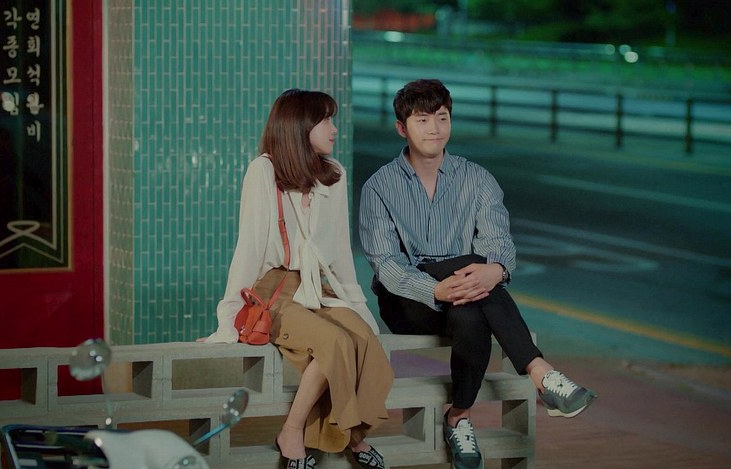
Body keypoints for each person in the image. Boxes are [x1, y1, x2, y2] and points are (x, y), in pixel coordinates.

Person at [358, 79, 596, 469]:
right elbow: (387, 265)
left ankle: (458, 417)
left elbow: (499, 241)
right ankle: (541, 372)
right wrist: (440, 289)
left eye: (442, 118)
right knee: (468, 263)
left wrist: (496, 270)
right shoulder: (379, 187)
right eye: (422, 120)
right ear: (402, 128)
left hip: (469, 300)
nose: (435, 128)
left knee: (471, 313)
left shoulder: (477, 179)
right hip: (408, 302)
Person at [204, 89, 394, 469]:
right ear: (299, 126)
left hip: (318, 288)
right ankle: (293, 432)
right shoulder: (264, 171)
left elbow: (340, 253)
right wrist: (229, 316)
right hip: (276, 291)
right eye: (325, 120)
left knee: (364, 338)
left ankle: (351, 434)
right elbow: (248, 247)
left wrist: (358, 306)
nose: (334, 129)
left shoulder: (333, 175)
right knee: (335, 341)